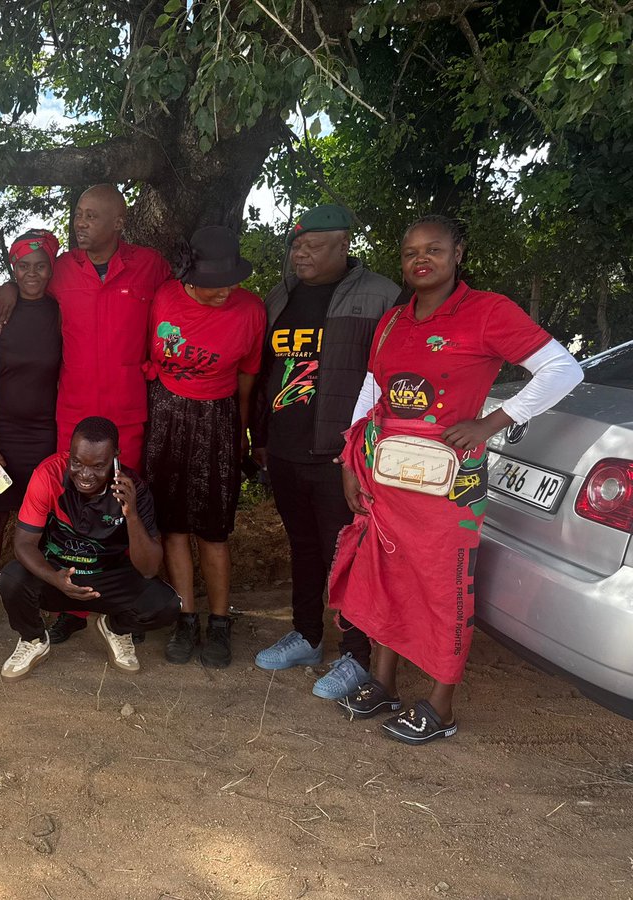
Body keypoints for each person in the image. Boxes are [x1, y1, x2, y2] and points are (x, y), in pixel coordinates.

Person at [329, 214, 582, 743]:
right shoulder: (393, 321)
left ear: (458, 253)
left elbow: (563, 369)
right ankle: (383, 682)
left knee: (445, 586)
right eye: (410, 252)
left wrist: (492, 422)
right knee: (388, 577)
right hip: (389, 475)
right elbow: (373, 390)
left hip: (448, 483)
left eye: (434, 250)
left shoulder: (487, 311)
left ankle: (440, 706)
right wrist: (354, 460)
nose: (420, 260)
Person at [249, 204, 402, 700]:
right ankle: (308, 636)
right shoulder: (279, 297)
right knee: (303, 546)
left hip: (342, 456)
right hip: (287, 449)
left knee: (349, 556)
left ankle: (355, 655)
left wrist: (368, 452)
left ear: (345, 246)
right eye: (296, 245)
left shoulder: (381, 297)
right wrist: (262, 439)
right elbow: (268, 371)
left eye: (314, 245)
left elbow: (392, 379)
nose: (301, 253)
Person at [20, 184, 172, 645]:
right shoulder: (62, 268)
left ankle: (117, 607)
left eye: (90, 216)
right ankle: (71, 607)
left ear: (118, 223)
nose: (79, 224)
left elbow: (174, 315)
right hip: (74, 416)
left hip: (127, 415)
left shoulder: (150, 267)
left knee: (123, 508)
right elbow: (25, 283)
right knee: (70, 512)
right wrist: (8, 292)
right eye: (78, 215)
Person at [145, 226, 265, 668]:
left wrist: (243, 432)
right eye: (216, 285)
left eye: (232, 281)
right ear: (190, 277)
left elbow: (248, 379)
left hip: (218, 418)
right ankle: (184, 616)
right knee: (174, 526)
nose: (226, 291)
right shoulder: (163, 298)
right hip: (166, 417)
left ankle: (218, 621)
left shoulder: (250, 310)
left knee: (214, 530)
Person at [0, 417, 180, 681]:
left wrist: (132, 515)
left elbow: (149, 568)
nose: (85, 474)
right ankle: (33, 639)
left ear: (115, 457)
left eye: (98, 466)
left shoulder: (134, 488)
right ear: (70, 452)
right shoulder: (48, 475)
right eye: (77, 462)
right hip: (57, 572)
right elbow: (23, 543)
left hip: (106, 577)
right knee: (11, 579)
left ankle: (115, 628)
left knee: (166, 605)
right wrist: (53, 578)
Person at [0, 229, 62, 635]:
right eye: (22, 267)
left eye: (40, 266)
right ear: (12, 267)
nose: (31, 275)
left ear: (51, 268)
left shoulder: (60, 312)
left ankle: (36, 598)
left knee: (42, 522)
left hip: (45, 434)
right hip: (3, 435)